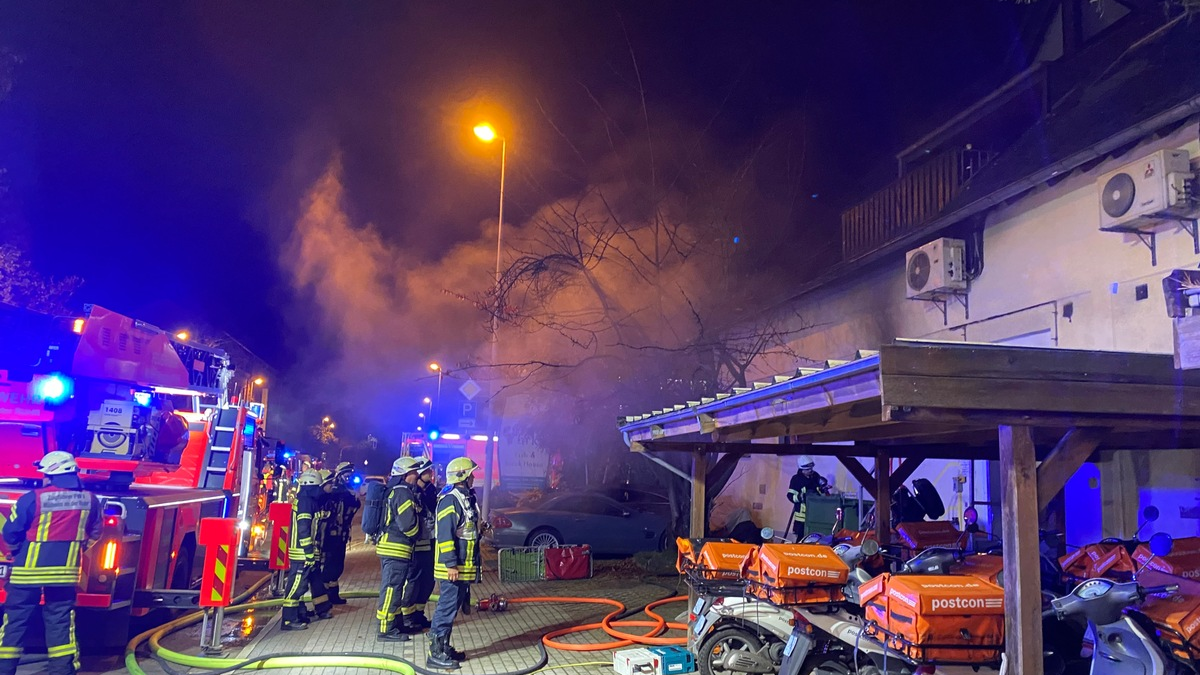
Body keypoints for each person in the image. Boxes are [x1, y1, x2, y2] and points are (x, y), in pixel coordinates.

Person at [0, 451, 101, 675]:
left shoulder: (32, 498)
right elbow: (95, 533)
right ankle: (62, 670)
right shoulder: (90, 500)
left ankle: (4, 669)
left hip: (26, 574)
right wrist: (78, 550)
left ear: (51, 475)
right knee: (61, 622)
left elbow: (11, 532)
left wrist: (16, 552)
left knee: (15, 622)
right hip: (65, 575)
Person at [428, 457, 485, 670]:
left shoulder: (465, 497)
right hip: (452, 568)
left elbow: (466, 531)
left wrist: (482, 530)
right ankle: (435, 653)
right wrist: (451, 564)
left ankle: (444, 647)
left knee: (451, 609)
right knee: (446, 608)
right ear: (462, 476)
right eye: (471, 473)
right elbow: (445, 535)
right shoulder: (450, 500)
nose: (473, 477)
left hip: (462, 567)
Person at [280, 470, 331, 631]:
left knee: (315, 582)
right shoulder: (306, 502)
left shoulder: (307, 500)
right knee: (297, 585)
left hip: (307, 552)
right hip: (302, 553)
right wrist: (309, 552)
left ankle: (305, 612)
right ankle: (288, 620)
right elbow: (303, 529)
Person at [376, 457, 420, 642]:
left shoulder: (396, 490)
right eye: (413, 472)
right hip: (396, 548)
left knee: (395, 588)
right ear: (405, 474)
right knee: (391, 589)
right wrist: (417, 533)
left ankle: (396, 624)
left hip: (394, 547)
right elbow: (407, 524)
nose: (416, 475)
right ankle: (385, 629)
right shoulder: (402, 492)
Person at [399, 456, 435, 631]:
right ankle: (407, 617)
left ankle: (419, 614)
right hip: (415, 544)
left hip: (429, 542)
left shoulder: (431, 491)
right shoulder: (410, 493)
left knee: (428, 580)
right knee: (413, 580)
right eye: (427, 470)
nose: (431, 473)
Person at [321, 461, 360, 605]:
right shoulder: (336, 491)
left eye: (350, 475)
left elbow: (354, 506)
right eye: (347, 475)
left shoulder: (348, 490)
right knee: (329, 566)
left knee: (337, 566)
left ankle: (333, 594)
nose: (349, 478)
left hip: (341, 535)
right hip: (330, 535)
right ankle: (325, 596)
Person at [786, 455, 831, 541]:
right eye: (807, 469)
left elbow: (817, 491)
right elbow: (790, 496)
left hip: (815, 513)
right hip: (802, 517)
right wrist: (801, 497)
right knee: (801, 538)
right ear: (802, 469)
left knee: (815, 538)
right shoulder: (796, 479)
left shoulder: (815, 476)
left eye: (811, 468)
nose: (810, 470)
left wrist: (823, 489)